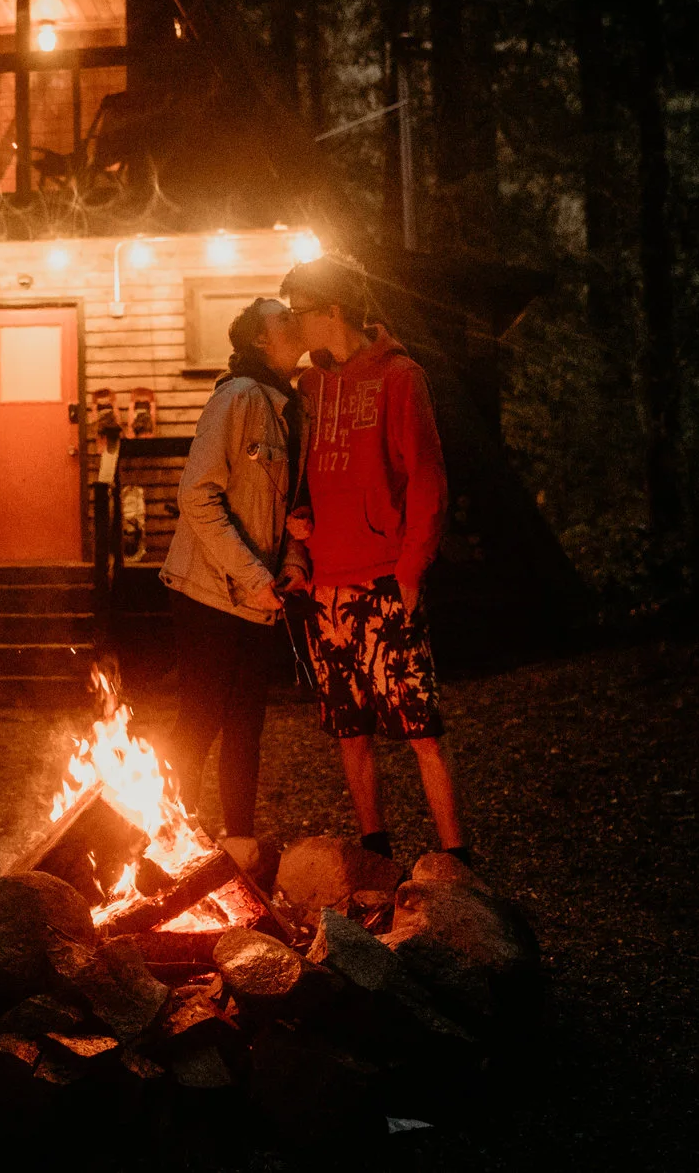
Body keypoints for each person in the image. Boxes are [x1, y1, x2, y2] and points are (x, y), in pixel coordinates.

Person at [277, 250, 470, 868]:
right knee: (349, 731)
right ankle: (376, 855)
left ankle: (457, 858)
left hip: (386, 576)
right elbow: (301, 473)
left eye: (299, 313)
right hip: (326, 585)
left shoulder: (399, 377)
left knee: (421, 729)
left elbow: (428, 479)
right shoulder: (309, 388)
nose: (294, 327)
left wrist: (412, 570)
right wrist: (298, 528)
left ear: (332, 309)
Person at [159, 297, 309, 851]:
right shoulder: (237, 398)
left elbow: (295, 505)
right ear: (262, 342)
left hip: (259, 594)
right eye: (283, 319)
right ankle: (170, 842)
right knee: (200, 720)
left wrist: (291, 564)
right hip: (208, 588)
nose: (296, 323)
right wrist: (253, 576)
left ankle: (239, 846)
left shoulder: (293, 407)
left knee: (248, 724)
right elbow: (196, 496)